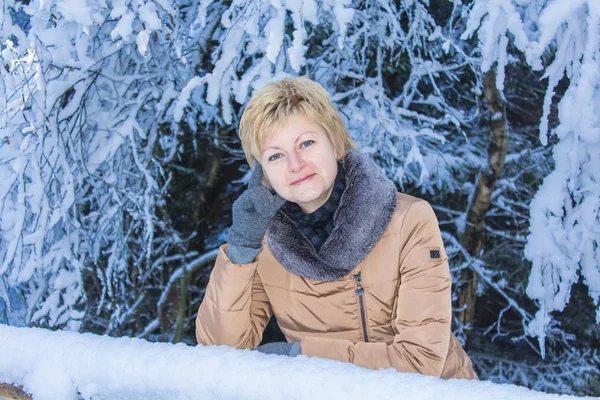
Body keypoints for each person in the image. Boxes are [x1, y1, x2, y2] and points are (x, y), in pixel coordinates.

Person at [195, 76, 478, 380]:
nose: (295, 164)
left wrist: (299, 357)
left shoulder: (409, 220)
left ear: (336, 144)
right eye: (275, 155)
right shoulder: (262, 243)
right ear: (262, 174)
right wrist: (241, 247)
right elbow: (221, 354)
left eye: (306, 143)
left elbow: (420, 362)